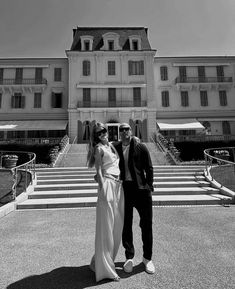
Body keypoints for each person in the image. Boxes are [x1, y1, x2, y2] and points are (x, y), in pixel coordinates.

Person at [113, 123, 155, 274]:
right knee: (126, 225)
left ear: (131, 131)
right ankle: (129, 257)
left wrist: (149, 186)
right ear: (119, 133)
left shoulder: (140, 146)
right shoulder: (115, 148)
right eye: (121, 130)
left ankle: (147, 258)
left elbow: (149, 168)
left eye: (127, 129)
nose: (124, 132)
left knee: (146, 224)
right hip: (125, 190)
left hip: (141, 190)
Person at [87, 122, 124, 282]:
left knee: (117, 227)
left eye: (104, 131)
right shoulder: (99, 149)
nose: (102, 134)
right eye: (99, 133)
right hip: (108, 185)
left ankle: (99, 262)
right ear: (96, 136)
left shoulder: (112, 146)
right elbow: (99, 172)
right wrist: (102, 189)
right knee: (106, 228)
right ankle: (106, 270)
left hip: (118, 186)